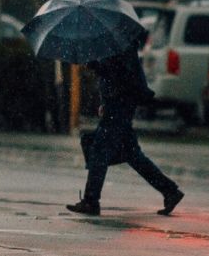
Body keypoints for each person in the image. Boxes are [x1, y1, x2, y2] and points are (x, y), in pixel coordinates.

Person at [67, 48, 184, 217]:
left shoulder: (120, 45)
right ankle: (170, 191)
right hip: (118, 105)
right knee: (133, 155)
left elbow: (118, 74)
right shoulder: (116, 42)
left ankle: (91, 201)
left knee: (99, 151)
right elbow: (117, 75)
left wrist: (95, 66)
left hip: (119, 107)